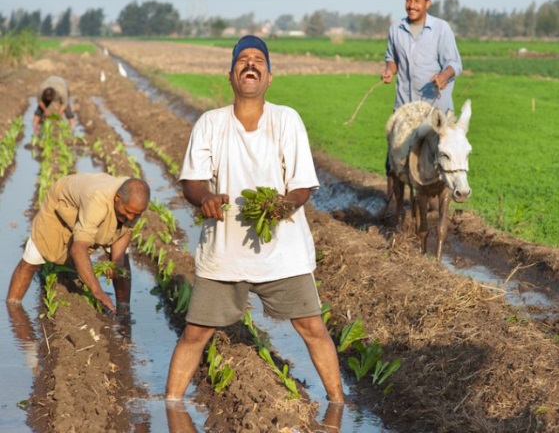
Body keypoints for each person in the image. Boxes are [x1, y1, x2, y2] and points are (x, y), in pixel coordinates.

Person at [165, 35, 345, 408]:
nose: (250, 64)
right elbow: (192, 182)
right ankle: (169, 403)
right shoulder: (210, 123)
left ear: (269, 76)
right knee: (196, 333)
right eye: (242, 60)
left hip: (282, 251)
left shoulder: (286, 120)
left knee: (312, 327)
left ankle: (339, 402)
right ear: (231, 76)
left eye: (258, 60)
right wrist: (205, 199)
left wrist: (283, 206)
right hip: (225, 252)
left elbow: (301, 187)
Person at [6, 173, 150, 314]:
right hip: (64, 204)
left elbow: (126, 231)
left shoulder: (133, 199)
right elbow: (78, 248)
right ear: (117, 198)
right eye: (128, 212)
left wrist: (116, 262)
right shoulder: (97, 200)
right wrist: (97, 291)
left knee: (122, 263)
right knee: (34, 257)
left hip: (96, 209)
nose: (131, 217)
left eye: (136, 215)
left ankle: (123, 310)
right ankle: (12, 306)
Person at [381, 0, 463, 206]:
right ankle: (393, 207)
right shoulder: (396, 29)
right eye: (408, 0)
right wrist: (389, 70)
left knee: (439, 159)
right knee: (395, 160)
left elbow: (454, 63)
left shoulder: (441, 29)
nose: (411, 5)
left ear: (428, 4)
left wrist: (444, 76)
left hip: (434, 109)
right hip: (405, 108)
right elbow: (392, 58)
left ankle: (438, 204)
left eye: (417, 1)